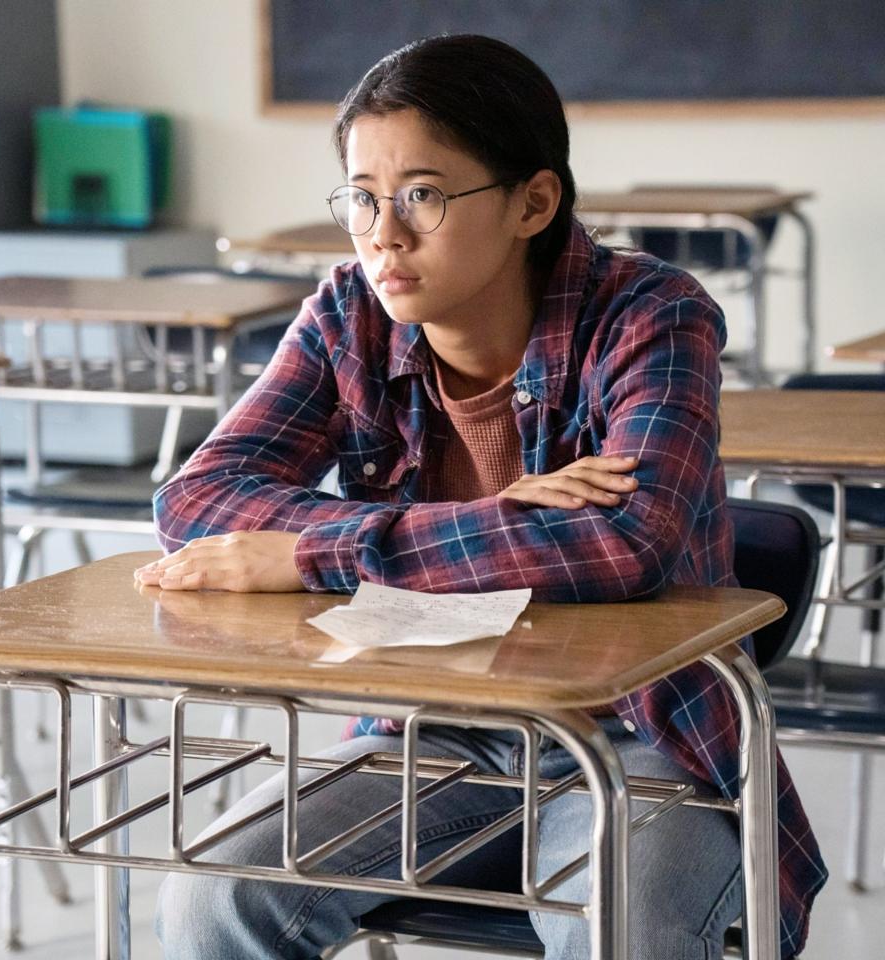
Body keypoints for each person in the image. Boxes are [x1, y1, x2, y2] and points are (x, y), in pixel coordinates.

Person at [138, 34, 826, 960]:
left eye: (423, 194)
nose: (384, 233)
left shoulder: (652, 312)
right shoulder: (349, 311)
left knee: (624, 928)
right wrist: (502, 519)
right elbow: (198, 498)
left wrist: (311, 551)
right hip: (434, 719)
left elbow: (625, 545)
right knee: (210, 899)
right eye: (362, 197)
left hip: (641, 731)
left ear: (532, 202)